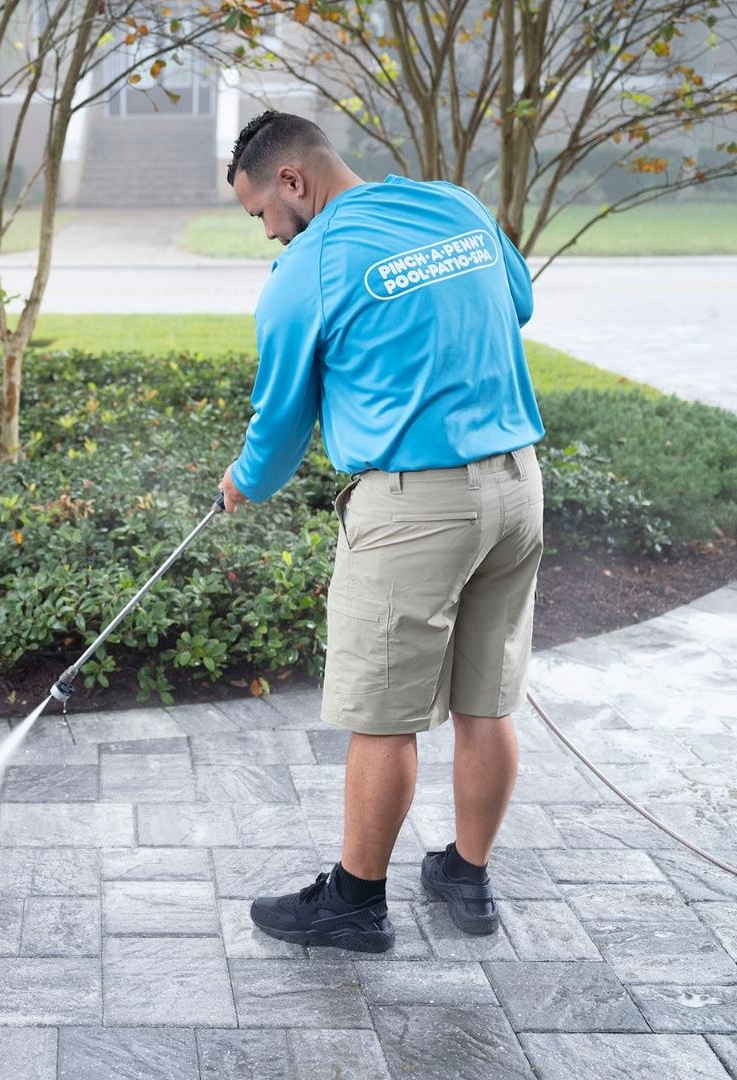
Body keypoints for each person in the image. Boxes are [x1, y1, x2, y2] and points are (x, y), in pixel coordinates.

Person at [218, 111, 545, 953]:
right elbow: (517, 301)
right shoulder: (455, 205)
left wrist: (243, 484)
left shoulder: (310, 266)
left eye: (261, 213)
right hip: (516, 489)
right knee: (486, 701)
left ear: (293, 182)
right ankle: (465, 878)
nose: (267, 232)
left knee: (383, 717)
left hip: (415, 510)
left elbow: (281, 419)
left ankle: (354, 905)